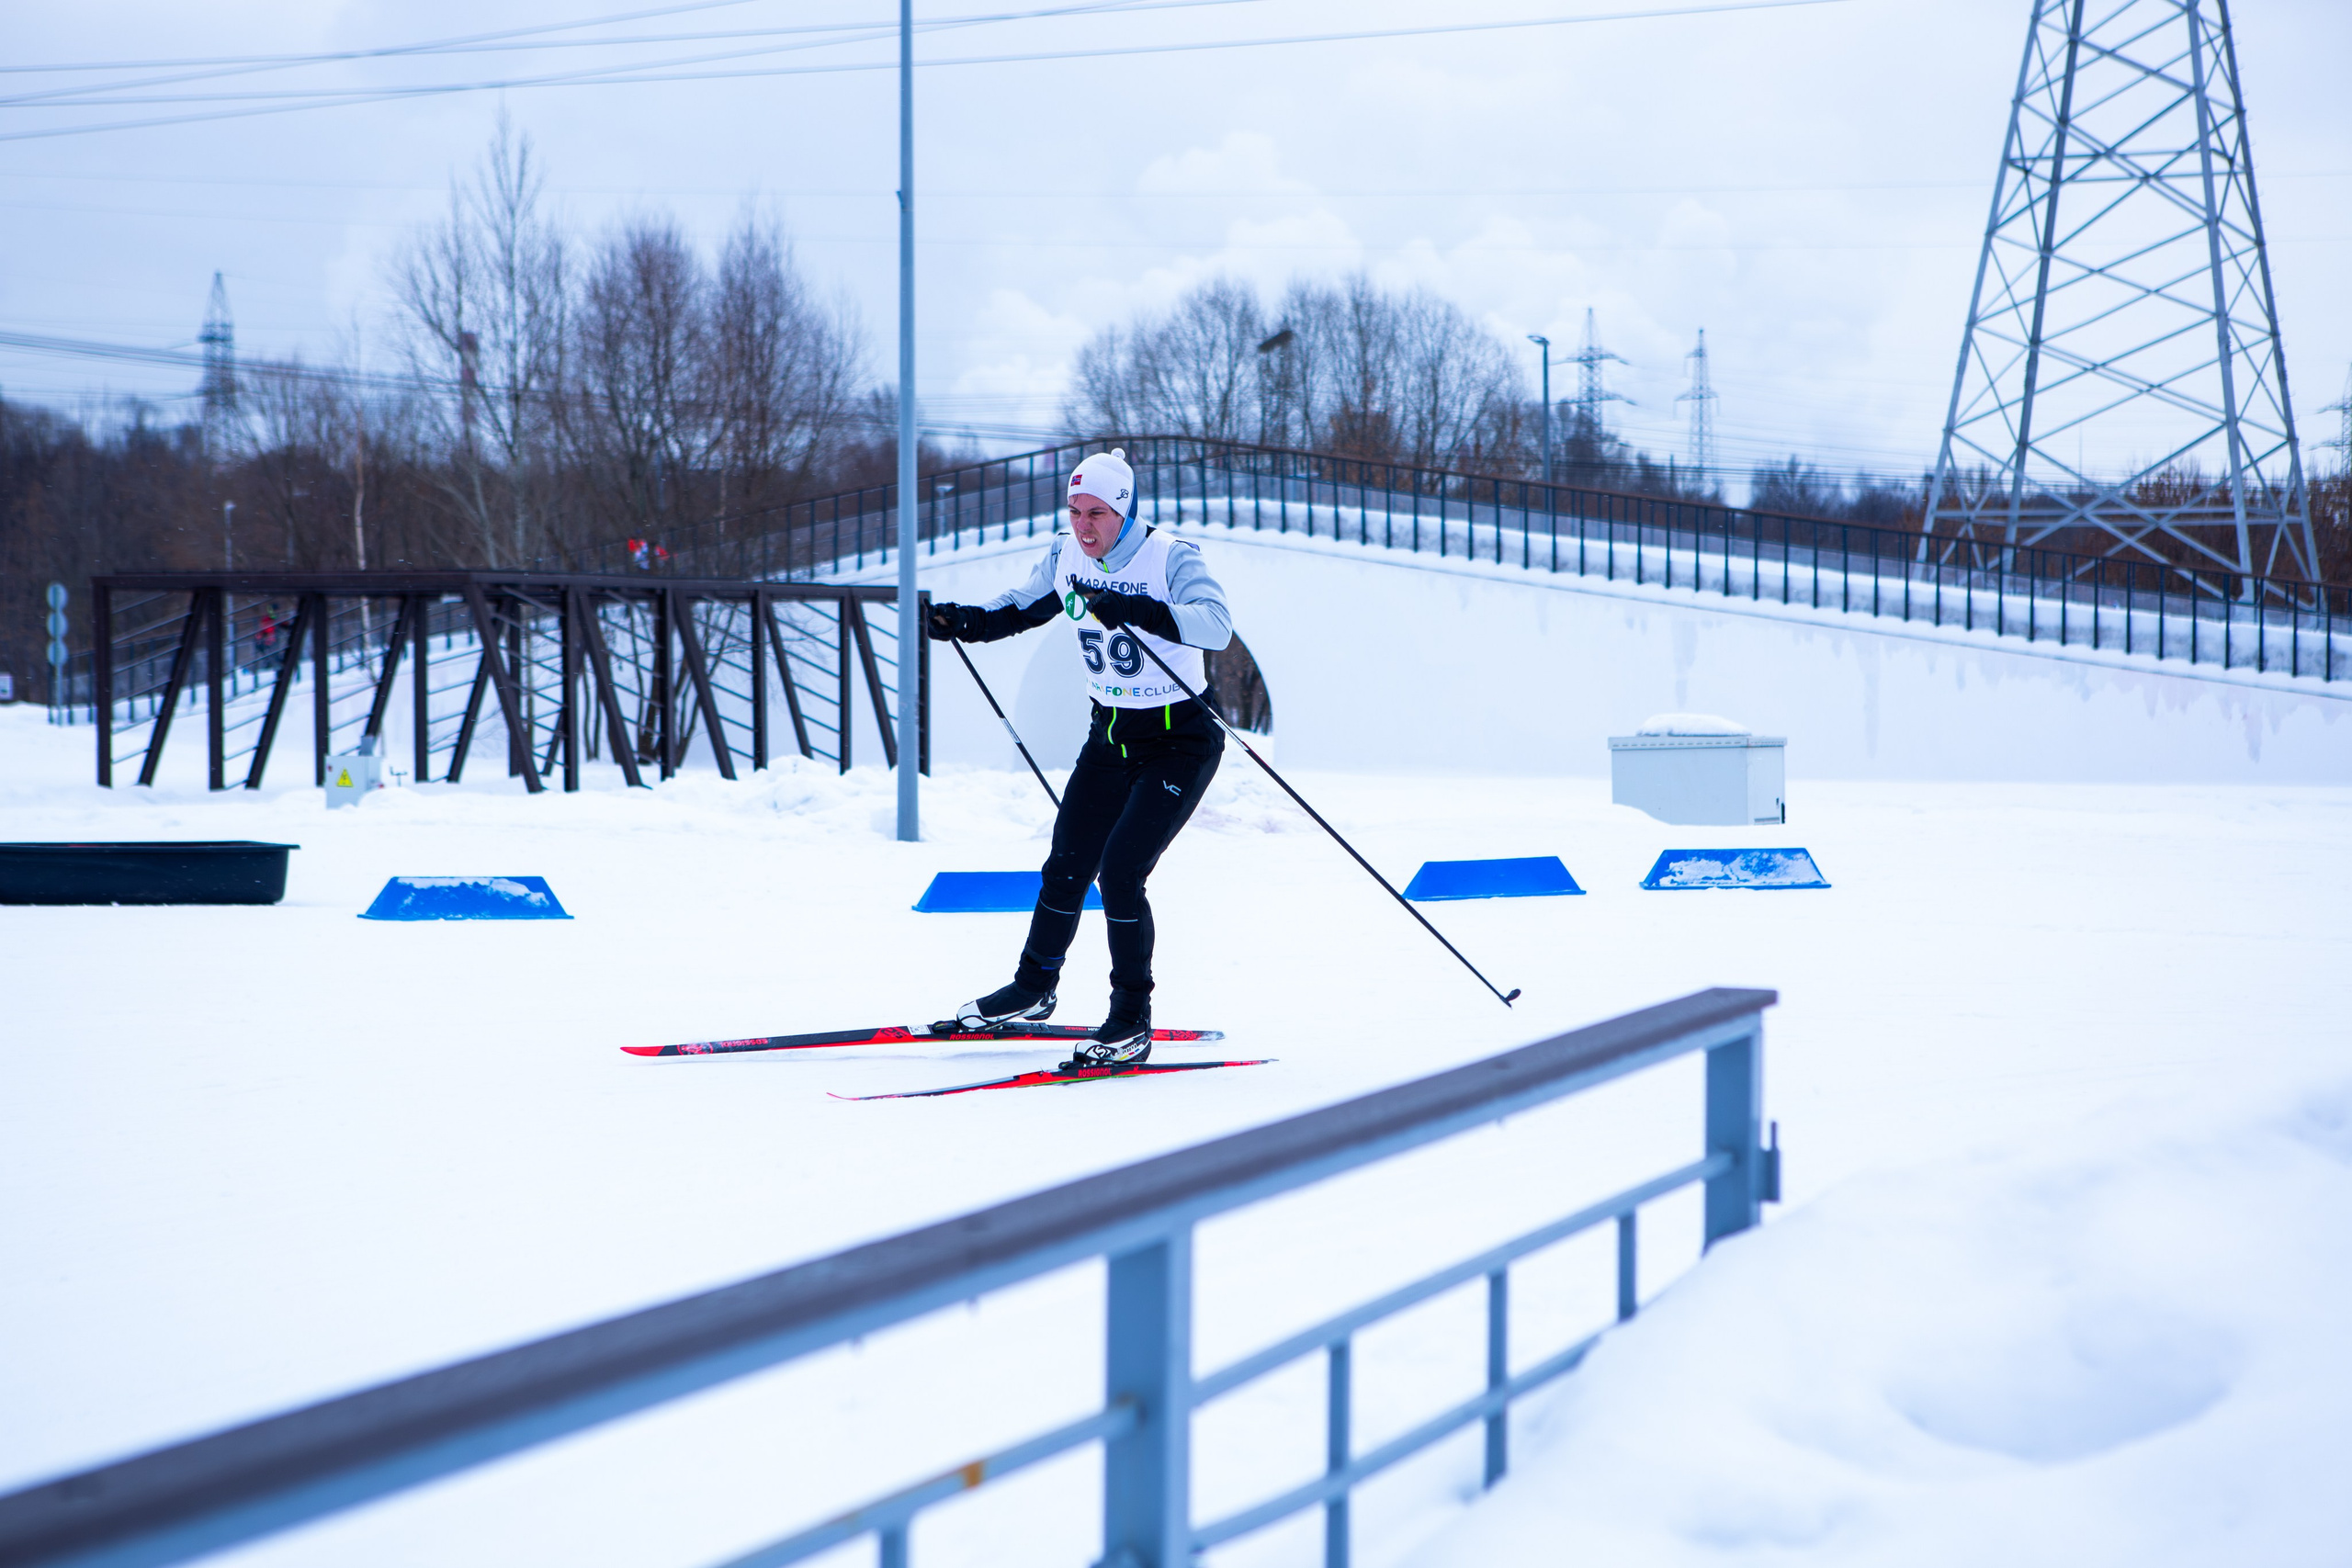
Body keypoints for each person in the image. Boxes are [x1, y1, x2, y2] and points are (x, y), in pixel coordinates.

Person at [927, 448, 1233, 1066]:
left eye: (1097, 512)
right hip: (1110, 737)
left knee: (1120, 872)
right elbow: (1020, 607)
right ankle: (1033, 987)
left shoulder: (1170, 556)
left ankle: (1130, 1018)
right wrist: (965, 621)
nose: (1083, 525)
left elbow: (1217, 626)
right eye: (1074, 510)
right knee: (1066, 864)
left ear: (1125, 511)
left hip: (1179, 739)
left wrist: (1137, 609)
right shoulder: (1066, 557)